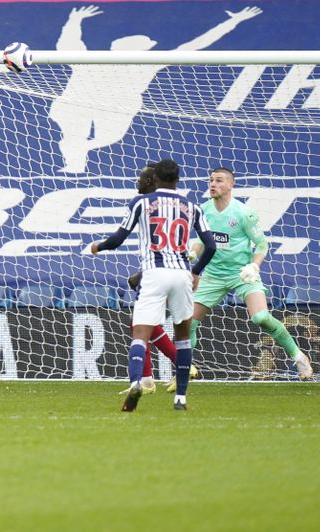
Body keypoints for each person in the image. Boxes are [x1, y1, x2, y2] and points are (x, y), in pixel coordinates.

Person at [50, 5, 262, 173]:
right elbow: (69, 46)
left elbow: (195, 45)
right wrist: (73, 21)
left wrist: (232, 21)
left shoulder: (149, 63)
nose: (149, 48)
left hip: (118, 106)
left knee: (104, 138)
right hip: (79, 102)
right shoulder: (94, 62)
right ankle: (75, 166)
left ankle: (80, 153)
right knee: (74, 134)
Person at [89, 159, 217, 411]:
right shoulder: (192, 207)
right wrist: (197, 272)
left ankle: (138, 381)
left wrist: (98, 246)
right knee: (182, 337)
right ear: (177, 180)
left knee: (140, 334)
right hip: (181, 274)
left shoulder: (141, 203)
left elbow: (117, 239)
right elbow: (211, 246)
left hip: (154, 272)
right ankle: (180, 398)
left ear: (155, 179)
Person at [186, 167, 313, 381]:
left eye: (218, 180)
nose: (212, 184)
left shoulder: (244, 213)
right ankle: (185, 368)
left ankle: (299, 357)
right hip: (214, 275)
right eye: (211, 180)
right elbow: (202, 240)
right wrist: (193, 253)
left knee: (261, 317)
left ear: (230, 185)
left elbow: (261, 245)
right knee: (188, 322)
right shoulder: (204, 210)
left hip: (242, 274)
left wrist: (253, 266)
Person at [120, 163, 197, 395]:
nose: (138, 183)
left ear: (153, 182)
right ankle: (147, 379)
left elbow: (169, 250)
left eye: (142, 179)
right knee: (145, 325)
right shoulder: (163, 206)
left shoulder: (149, 206)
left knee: (141, 325)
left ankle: (156, 374)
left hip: (166, 275)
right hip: (166, 272)